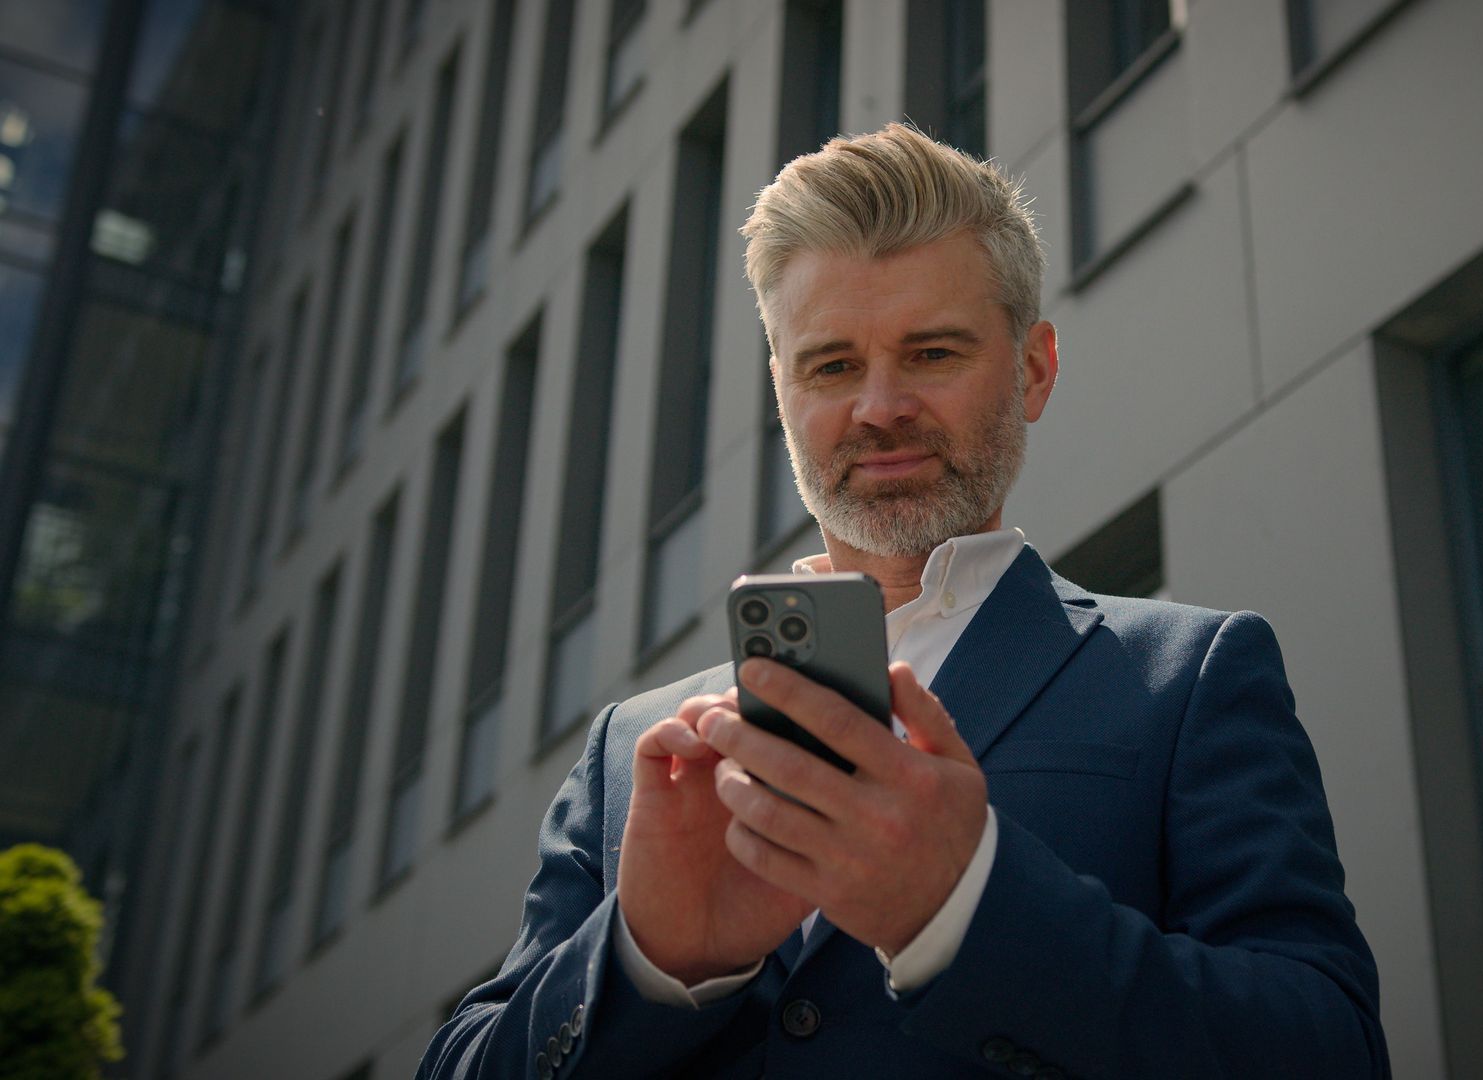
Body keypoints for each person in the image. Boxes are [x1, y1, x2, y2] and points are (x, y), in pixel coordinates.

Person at [417, 123, 1388, 1079]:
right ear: (781, 393)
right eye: (832, 365)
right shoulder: (633, 754)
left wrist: (965, 903)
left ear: (1035, 369)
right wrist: (647, 959)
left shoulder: (1193, 680)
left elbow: (1328, 1051)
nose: (879, 406)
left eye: (932, 353)